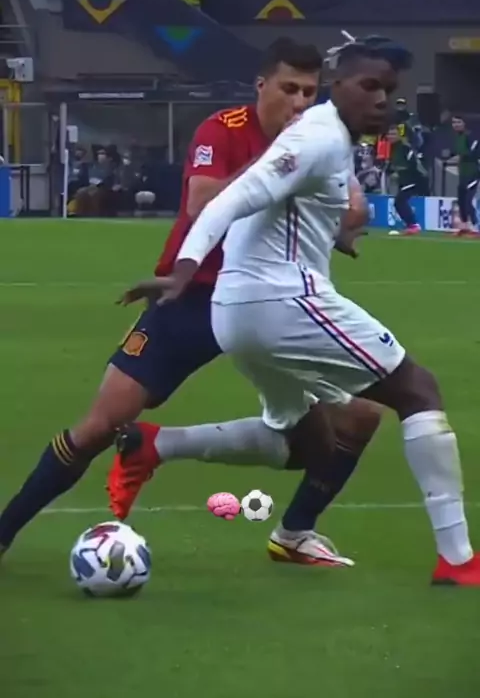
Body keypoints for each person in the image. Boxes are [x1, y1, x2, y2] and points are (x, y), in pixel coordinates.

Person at [0, 38, 380, 567]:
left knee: (353, 422)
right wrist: (278, 172)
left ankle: (293, 533)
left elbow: (350, 207)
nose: (298, 102)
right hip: (192, 295)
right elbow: (202, 201)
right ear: (262, 86)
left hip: (271, 305)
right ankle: (5, 531)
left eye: (308, 92)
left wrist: (340, 220)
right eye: (288, 88)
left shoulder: (320, 139)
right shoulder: (223, 129)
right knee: (100, 424)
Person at [143, 34, 480, 585]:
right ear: (337, 85)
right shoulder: (319, 136)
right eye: (369, 86)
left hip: (237, 312)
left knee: (304, 439)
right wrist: (184, 268)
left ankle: (158, 446)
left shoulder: (328, 137)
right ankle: (459, 560)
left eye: (389, 91)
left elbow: (283, 209)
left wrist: (331, 235)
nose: (381, 101)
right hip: (281, 301)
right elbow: (231, 198)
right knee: (417, 390)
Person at [386, 124, 427, 234]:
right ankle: (411, 224)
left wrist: (400, 172)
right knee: (400, 202)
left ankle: (413, 224)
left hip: (412, 179)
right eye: (389, 134)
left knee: (399, 201)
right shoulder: (393, 148)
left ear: (399, 135)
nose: (391, 136)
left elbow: (413, 164)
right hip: (404, 180)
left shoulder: (405, 148)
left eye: (394, 134)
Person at [448, 116, 480, 236]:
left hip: (473, 173)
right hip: (463, 173)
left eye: (458, 122)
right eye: (453, 122)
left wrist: (460, 156)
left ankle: (476, 226)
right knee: (461, 201)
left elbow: (474, 153)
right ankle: (465, 226)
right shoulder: (457, 137)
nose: (456, 124)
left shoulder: (471, 136)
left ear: (464, 123)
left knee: (467, 200)